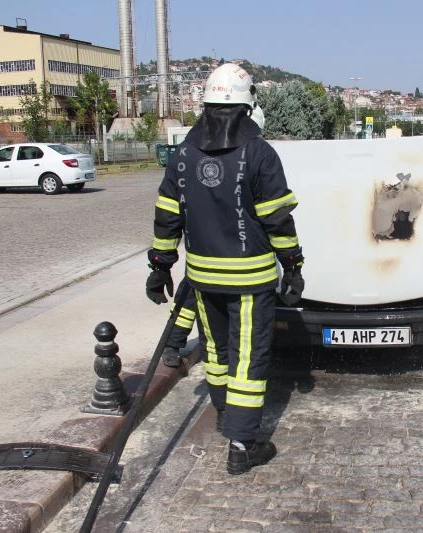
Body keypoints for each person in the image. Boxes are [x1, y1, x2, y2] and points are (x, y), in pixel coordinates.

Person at [145, 63, 304, 475]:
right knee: (249, 359)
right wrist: (293, 265)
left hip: (202, 279)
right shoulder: (260, 153)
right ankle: (241, 444)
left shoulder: (182, 154)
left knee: (216, 352)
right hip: (249, 280)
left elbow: (167, 216)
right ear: (247, 105)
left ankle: (223, 417)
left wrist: (161, 267)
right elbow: (277, 220)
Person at [156, 104, 267, 370]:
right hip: (207, 248)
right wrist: (160, 264)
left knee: (195, 297)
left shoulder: (239, 153)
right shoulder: (208, 153)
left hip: (219, 248)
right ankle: (172, 343)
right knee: (189, 296)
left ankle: (177, 343)